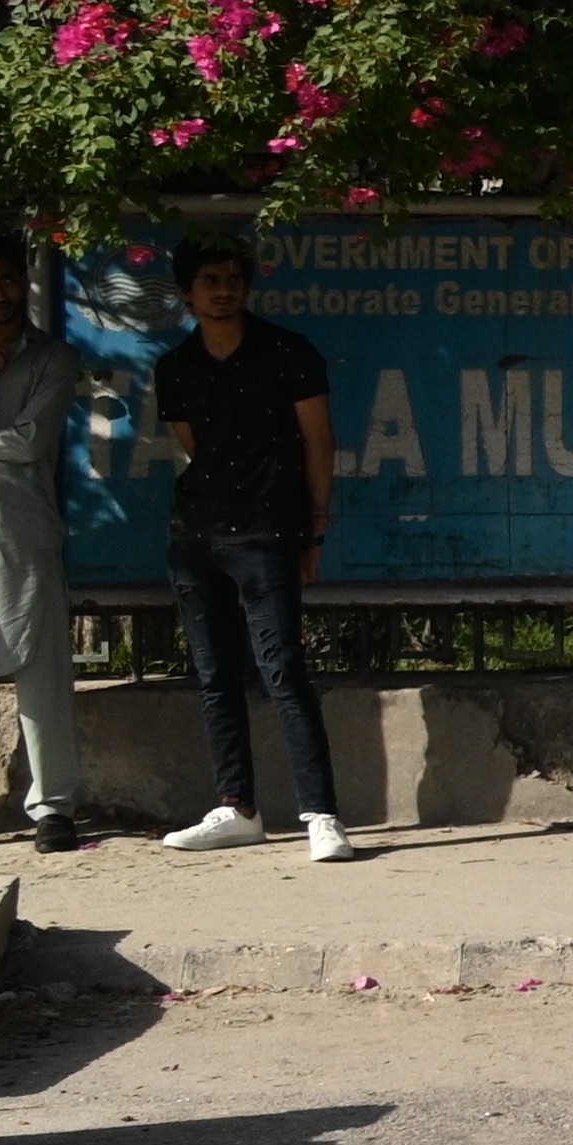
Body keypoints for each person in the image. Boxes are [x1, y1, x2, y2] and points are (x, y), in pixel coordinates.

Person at [147, 239, 346, 863]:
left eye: (233, 278)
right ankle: (237, 808)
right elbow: (194, 447)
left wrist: (314, 529)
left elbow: (319, 443)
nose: (224, 289)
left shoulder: (288, 352)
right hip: (197, 536)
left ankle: (321, 815)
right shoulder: (176, 366)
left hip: (267, 535)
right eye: (210, 280)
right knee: (214, 677)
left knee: (283, 670)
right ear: (187, 291)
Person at [0, 266, 79, 853]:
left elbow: (29, 442)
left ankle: (54, 810)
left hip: (21, 530)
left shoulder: (53, 358)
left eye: (7, 280)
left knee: (40, 670)